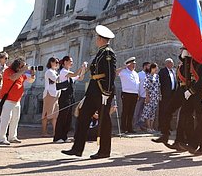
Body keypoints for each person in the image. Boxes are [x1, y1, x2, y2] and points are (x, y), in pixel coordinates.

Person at [63, 25, 116, 159]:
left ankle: (104, 150)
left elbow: (110, 73)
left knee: (104, 120)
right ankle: (77, 148)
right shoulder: (101, 52)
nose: (96, 40)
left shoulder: (108, 53)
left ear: (101, 39)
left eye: (97, 38)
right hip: (93, 89)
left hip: (102, 90)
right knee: (83, 117)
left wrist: (107, 91)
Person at [0, 58, 35, 145]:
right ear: (17, 65)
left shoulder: (21, 74)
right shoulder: (8, 71)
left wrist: (32, 74)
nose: (23, 67)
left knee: (15, 119)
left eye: (24, 66)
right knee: (6, 119)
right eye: (22, 65)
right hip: (7, 99)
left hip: (17, 100)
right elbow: (13, 78)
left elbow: (30, 80)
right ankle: (1, 138)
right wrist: (23, 70)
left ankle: (12, 137)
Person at [53, 55, 83, 143]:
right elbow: (75, 74)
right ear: (65, 62)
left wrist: (84, 69)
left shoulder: (69, 72)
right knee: (62, 117)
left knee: (68, 118)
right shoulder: (63, 72)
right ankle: (58, 137)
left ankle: (64, 136)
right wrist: (81, 67)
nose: (72, 63)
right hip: (64, 97)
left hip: (70, 97)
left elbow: (80, 77)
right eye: (70, 61)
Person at [154, 58, 178, 144]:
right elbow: (158, 83)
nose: (172, 64)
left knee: (169, 112)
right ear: (167, 63)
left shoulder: (173, 71)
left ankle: (168, 127)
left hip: (172, 95)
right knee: (163, 111)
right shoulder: (162, 72)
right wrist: (160, 93)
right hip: (164, 95)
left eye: (172, 63)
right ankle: (162, 127)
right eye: (170, 63)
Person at [116, 56, 139, 134]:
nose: (134, 65)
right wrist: (123, 67)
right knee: (125, 111)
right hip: (126, 94)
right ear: (128, 64)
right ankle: (123, 127)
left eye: (134, 64)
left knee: (131, 112)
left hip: (135, 94)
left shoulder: (135, 73)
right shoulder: (123, 72)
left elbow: (137, 84)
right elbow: (115, 72)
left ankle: (130, 128)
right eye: (132, 64)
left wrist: (138, 93)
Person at [41, 57, 61, 137]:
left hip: (56, 94)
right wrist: (64, 74)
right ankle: (44, 132)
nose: (57, 64)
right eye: (56, 62)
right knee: (46, 113)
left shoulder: (55, 72)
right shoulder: (49, 71)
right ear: (51, 63)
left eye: (58, 62)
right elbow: (56, 79)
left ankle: (55, 132)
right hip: (49, 94)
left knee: (55, 114)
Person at [140, 63, 160, 132]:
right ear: (152, 68)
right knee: (147, 112)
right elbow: (146, 87)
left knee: (153, 112)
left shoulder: (157, 76)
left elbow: (158, 86)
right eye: (156, 68)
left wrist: (159, 95)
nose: (157, 69)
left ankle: (152, 127)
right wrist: (147, 96)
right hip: (150, 96)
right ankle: (148, 127)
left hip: (155, 96)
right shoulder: (148, 76)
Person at [133, 62, 151, 131]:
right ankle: (136, 126)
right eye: (148, 66)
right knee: (137, 111)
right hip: (141, 95)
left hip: (147, 96)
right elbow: (137, 84)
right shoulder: (139, 74)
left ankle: (142, 125)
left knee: (144, 112)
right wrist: (137, 93)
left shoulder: (149, 74)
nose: (149, 68)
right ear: (145, 66)